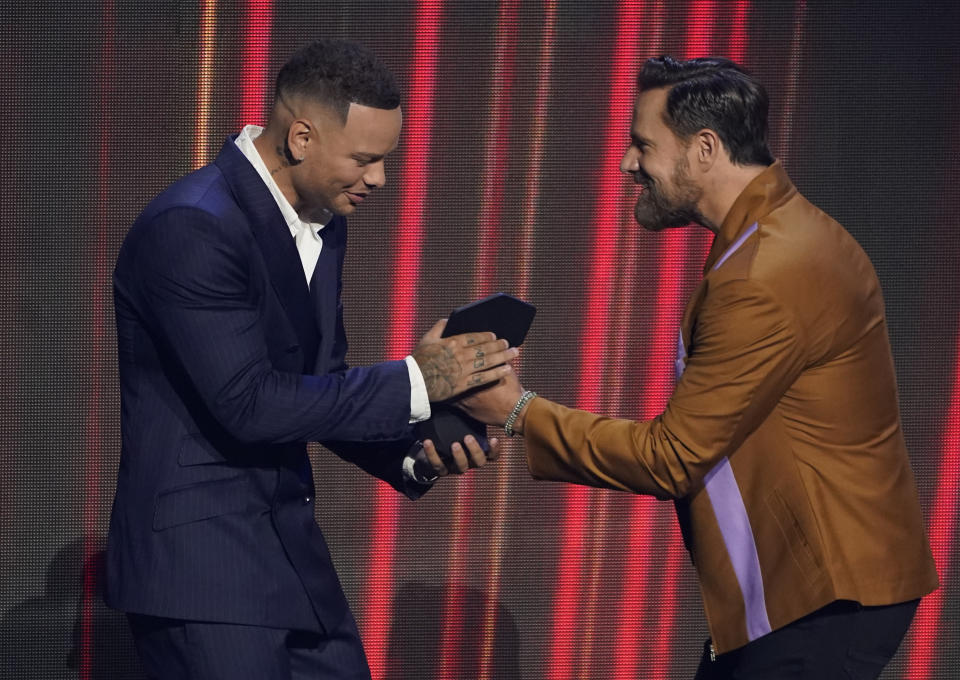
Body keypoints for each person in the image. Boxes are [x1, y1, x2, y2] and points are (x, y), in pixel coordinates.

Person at [458, 56, 938, 679]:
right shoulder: (772, 235)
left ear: (704, 148)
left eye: (643, 145)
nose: (628, 164)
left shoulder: (768, 270)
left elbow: (673, 457)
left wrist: (519, 411)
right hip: (808, 588)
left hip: (824, 597)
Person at [105, 39, 517, 680]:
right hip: (203, 572)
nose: (380, 178)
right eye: (365, 159)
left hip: (287, 560)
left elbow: (316, 388)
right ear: (300, 137)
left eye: (386, 160)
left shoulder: (323, 223)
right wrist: (418, 379)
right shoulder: (192, 226)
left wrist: (410, 451)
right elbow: (249, 403)